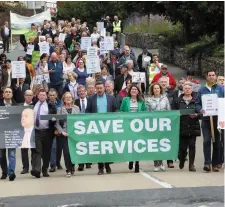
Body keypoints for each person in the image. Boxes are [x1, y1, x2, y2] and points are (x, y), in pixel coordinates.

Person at [86, 81, 117, 175]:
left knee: (107, 146)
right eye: (98, 88)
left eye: (101, 88)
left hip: (108, 126)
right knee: (99, 147)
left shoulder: (111, 98)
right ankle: (100, 167)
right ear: (95, 89)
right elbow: (88, 111)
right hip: (96, 127)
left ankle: (107, 165)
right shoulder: (91, 99)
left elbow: (116, 109)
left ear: (104, 88)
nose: (99, 90)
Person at [196, 69, 224, 172]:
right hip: (206, 119)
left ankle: (215, 163)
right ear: (206, 77)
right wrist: (200, 109)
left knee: (217, 142)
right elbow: (197, 103)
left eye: (213, 75)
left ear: (216, 77)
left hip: (217, 119)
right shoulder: (202, 90)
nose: (211, 77)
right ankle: (207, 163)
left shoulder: (221, 89)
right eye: (209, 75)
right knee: (207, 141)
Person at [172, 82, 201, 172]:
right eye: (186, 88)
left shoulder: (196, 100)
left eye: (189, 88)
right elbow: (172, 112)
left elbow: (202, 112)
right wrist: (177, 115)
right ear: (183, 90)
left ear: (191, 90)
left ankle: (191, 165)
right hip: (182, 126)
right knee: (182, 148)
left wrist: (197, 115)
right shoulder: (177, 100)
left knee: (192, 146)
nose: (187, 90)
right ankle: (181, 160)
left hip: (193, 126)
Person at [120, 84, 146, 173]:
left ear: (138, 91)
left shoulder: (141, 101)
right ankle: (131, 159)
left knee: (137, 145)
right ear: (129, 91)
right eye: (132, 89)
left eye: (135, 89)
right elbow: (121, 111)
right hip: (128, 126)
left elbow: (144, 112)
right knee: (130, 144)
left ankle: (137, 163)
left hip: (138, 126)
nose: (134, 90)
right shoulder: (125, 100)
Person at [145, 83, 171, 172]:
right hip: (153, 125)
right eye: (155, 88)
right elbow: (147, 113)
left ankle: (162, 162)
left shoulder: (165, 99)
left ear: (160, 89)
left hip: (163, 124)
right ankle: (156, 163)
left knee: (162, 144)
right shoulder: (148, 100)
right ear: (152, 90)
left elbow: (169, 111)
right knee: (155, 144)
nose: (156, 90)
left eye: (158, 88)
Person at [31, 89, 57, 178]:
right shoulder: (34, 105)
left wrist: (54, 120)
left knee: (46, 152)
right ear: (38, 96)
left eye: (43, 95)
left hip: (47, 132)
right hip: (37, 131)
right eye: (40, 95)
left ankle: (45, 169)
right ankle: (37, 170)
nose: (42, 96)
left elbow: (55, 117)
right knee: (37, 151)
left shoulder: (51, 106)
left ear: (46, 96)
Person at [55, 92, 80, 177]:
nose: (68, 99)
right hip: (64, 133)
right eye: (66, 97)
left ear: (72, 99)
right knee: (66, 152)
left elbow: (80, 121)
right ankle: (68, 169)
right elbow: (57, 123)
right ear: (64, 99)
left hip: (74, 133)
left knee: (73, 152)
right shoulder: (60, 109)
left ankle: (72, 167)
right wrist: (61, 132)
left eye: (70, 97)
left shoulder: (76, 108)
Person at [0, 87, 17, 181]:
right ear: (3, 94)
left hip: (12, 133)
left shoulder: (16, 106)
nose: (7, 93)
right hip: (1, 133)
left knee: (12, 154)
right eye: (6, 92)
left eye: (9, 92)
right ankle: (4, 172)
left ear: (12, 94)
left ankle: (11, 173)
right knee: (1, 155)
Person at [74, 85, 92, 171]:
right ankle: (81, 164)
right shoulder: (75, 102)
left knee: (88, 144)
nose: (81, 92)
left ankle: (88, 162)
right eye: (80, 91)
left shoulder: (90, 100)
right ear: (78, 93)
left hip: (89, 125)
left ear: (86, 92)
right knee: (80, 145)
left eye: (83, 91)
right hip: (79, 126)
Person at [48, 89, 63, 173]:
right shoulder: (46, 104)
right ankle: (53, 165)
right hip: (50, 128)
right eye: (50, 95)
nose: (52, 97)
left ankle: (58, 162)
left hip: (59, 127)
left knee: (59, 147)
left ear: (56, 95)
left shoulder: (60, 104)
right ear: (48, 96)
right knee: (53, 147)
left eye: (53, 95)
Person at [20, 90, 35, 174]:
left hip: (33, 130)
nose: (29, 96)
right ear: (24, 96)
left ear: (33, 96)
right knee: (24, 149)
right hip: (24, 130)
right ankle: (25, 167)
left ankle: (34, 167)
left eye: (30, 95)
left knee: (34, 149)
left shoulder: (36, 105)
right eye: (27, 95)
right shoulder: (20, 106)